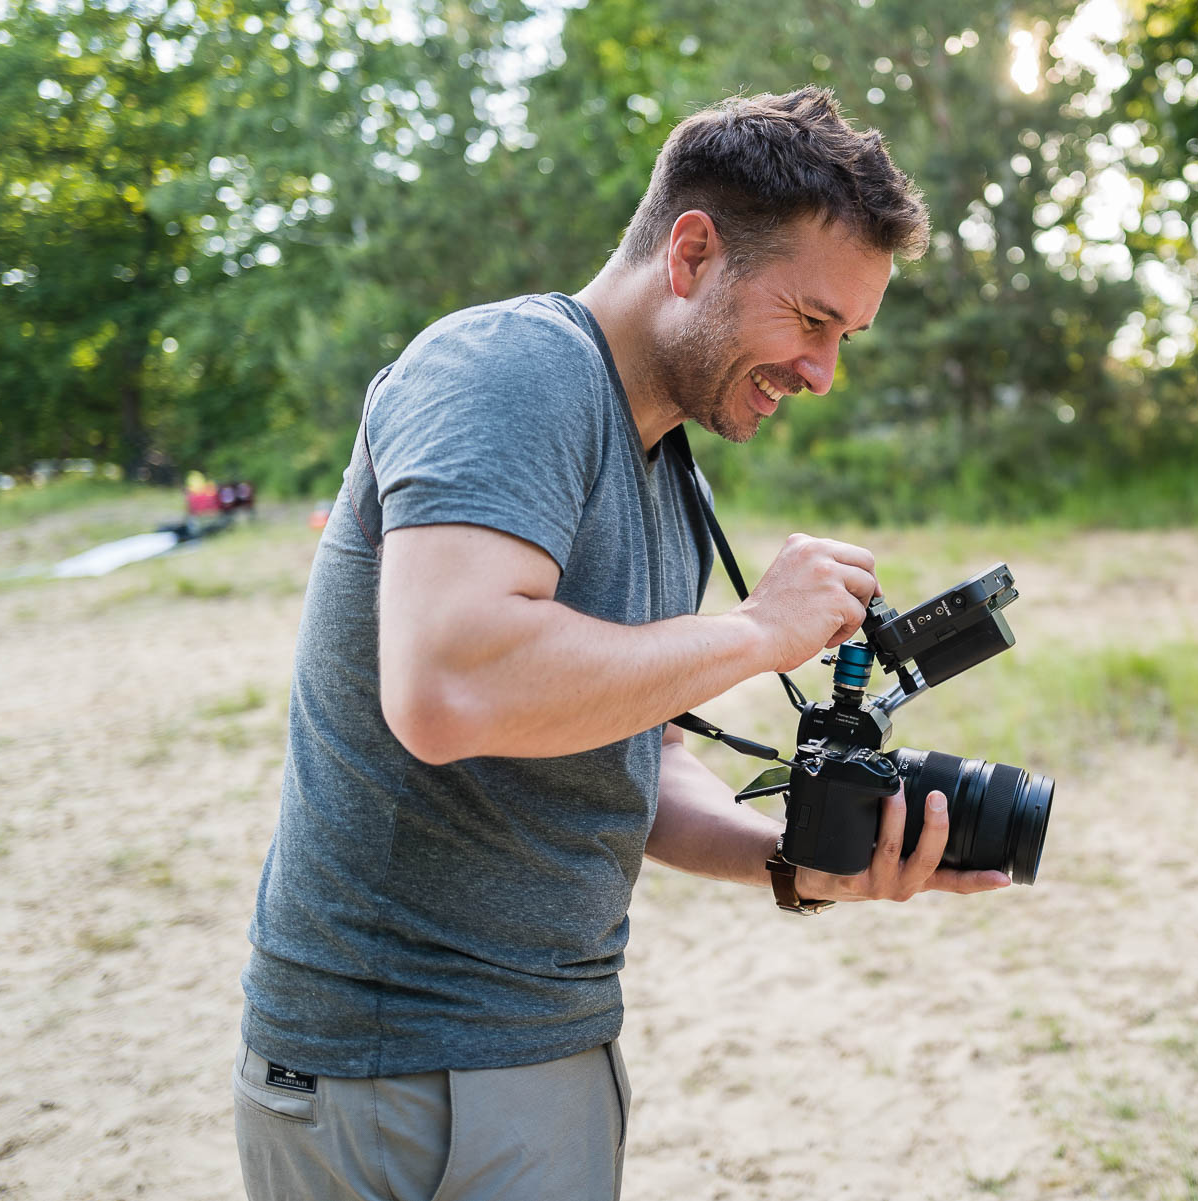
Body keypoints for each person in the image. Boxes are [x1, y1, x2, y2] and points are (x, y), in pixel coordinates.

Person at [233, 87, 1010, 1201]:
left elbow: (641, 756)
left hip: (544, 1040)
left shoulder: (667, 468)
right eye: (811, 320)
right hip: (391, 1063)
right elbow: (449, 685)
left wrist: (799, 862)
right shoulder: (510, 367)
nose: (823, 371)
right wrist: (754, 630)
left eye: (846, 336)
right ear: (692, 252)